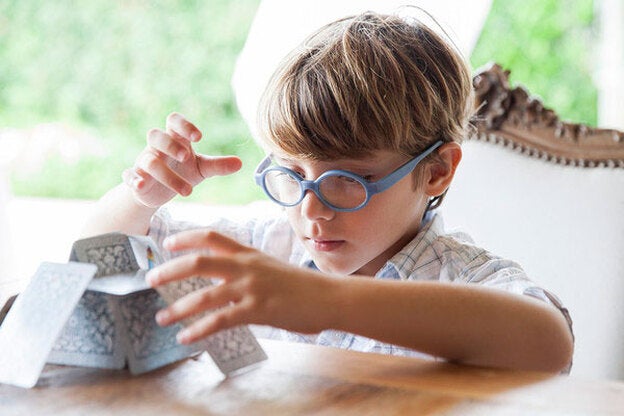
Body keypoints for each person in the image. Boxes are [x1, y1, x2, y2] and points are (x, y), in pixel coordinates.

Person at [82, 10, 574, 372]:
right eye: (291, 174)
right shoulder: (265, 244)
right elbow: (102, 253)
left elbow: (547, 341)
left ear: (437, 171)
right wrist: (139, 199)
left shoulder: (462, 278)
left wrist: (326, 301)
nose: (310, 209)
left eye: (347, 180)